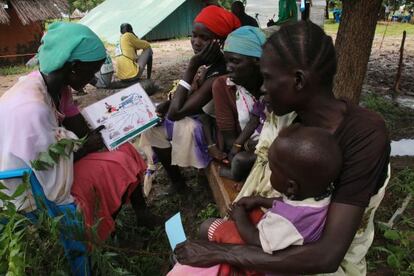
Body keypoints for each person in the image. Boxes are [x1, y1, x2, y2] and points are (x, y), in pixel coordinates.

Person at [174, 21, 391, 275]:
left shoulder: (364, 136)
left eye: (267, 78)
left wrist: (221, 252)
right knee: (207, 232)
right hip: (276, 231)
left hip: (314, 259)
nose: (262, 88)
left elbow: (328, 255)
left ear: (298, 80)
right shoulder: (287, 116)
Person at [0, 22, 159, 241]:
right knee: (117, 163)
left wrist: (110, 129)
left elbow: (82, 131)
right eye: (92, 71)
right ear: (74, 67)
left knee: (122, 148)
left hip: (51, 170)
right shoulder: (31, 108)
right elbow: (50, 176)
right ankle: (99, 233)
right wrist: (87, 146)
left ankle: (137, 215)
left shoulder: (55, 87)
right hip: (34, 192)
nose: (94, 79)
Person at [169, 124, 342, 275]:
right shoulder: (318, 196)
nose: (270, 173)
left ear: (291, 186)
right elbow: (292, 206)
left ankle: (210, 262)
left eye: (272, 170)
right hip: (279, 239)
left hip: (263, 263)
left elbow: (256, 239)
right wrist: (260, 200)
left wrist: (239, 215)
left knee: (209, 226)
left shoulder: (289, 222)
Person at [139, 6, 241, 193]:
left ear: (221, 41)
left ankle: (178, 183)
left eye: (205, 38)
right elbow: (187, 96)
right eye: (194, 35)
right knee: (151, 122)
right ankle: (177, 182)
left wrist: (192, 66)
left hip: (217, 135)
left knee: (156, 129)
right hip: (204, 121)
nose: (196, 42)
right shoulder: (213, 64)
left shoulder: (221, 72)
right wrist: (169, 102)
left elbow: (176, 113)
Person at [209, 26, 266, 182]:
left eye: (235, 61)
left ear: (257, 60)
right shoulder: (223, 86)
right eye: (226, 61)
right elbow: (231, 142)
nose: (228, 68)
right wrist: (243, 146)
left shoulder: (274, 87)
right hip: (249, 151)